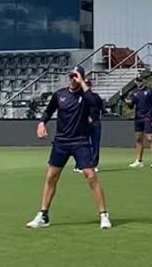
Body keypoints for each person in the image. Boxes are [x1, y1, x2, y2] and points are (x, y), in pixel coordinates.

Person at [27, 66, 112, 230]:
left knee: (90, 175)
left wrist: (83, 83)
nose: (73, 79)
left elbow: (95, 105)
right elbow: (49, 111)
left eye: (76, 76)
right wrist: (41, 123)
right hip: (61, 142)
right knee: (51, 176)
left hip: (80, 141)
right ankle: (43, 215)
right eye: (71, 76)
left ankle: (104, 215)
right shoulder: (60, 94)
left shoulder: (88, 96)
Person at [126, 71, 152, 169]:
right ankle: (139, 160)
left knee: (150, 138)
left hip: (148, 117)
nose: (139, 82)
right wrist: (128, 103)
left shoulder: (149, 91)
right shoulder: (134, 92)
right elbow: (131, 106)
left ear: (144, 81)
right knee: (138, 139)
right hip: (138, 118)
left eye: (140, 80)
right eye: (137, 80)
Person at [83, 76, 105, 169]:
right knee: (83, 144)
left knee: (95, 144)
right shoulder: (81, 97)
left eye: (89, 85)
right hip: (84, 123)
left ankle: (94, 164)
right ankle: (83, 164)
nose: (88, 87)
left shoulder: (96, 96)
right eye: (86, 85)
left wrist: (103, 112)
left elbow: (102, 108)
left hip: (96, 122)